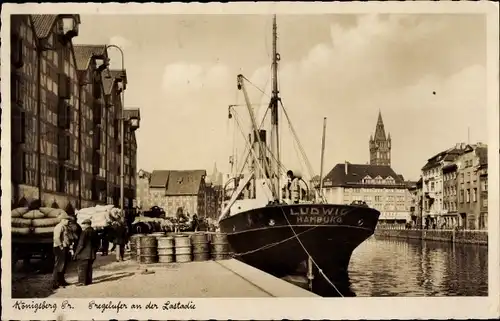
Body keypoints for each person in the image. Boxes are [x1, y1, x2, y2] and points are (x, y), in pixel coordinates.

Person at [73, 219, 99, 286]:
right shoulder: (94, 232)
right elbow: (98, 243)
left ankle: (82, 282)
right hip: (92, 254)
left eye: (83, 224)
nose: (83, 226)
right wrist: (95, 250)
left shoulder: (84, 232)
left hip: (84, 254)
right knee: (89, 267)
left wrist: (76, 253)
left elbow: (81, 244)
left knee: (82, 268)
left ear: (86, 224)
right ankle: (89, 281)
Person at [52, 213, 71, 289]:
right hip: (59, 248)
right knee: (58, 266)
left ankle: (62, 281)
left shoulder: (64, 227)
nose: (68, 221)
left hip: (64, 247)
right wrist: (61, 246)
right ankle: (55, 283)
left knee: (63, 265)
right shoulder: (59, 227)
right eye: (67, 220)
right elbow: (56, 238)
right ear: (62, 220)